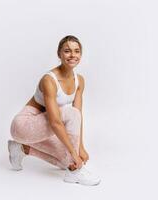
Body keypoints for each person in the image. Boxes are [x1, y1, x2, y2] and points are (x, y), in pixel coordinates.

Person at [8, 35, 101, 186]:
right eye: (67, 51)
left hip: (43, 128)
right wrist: (74, 153)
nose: (73, 55)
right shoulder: (49, 80)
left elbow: (78, 116)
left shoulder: (80, 81)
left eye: (77, 51)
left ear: (81, 55)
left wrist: (80, 148)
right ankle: (76, 173)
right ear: (59, 54)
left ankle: (22, 148)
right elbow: (56, 121)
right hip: (24, 125)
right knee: (72, 153)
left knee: (67, 161)